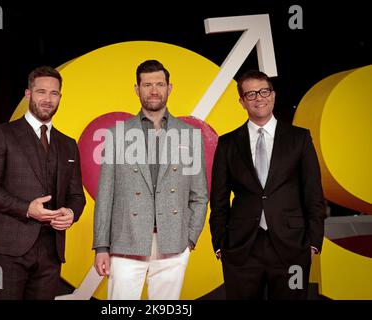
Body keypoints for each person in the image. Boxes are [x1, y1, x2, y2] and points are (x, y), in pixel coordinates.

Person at [93, 60, 208, 300]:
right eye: (147, 85)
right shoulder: (117, 134)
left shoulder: (189, 135)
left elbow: (199, 194)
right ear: (137, 89)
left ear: (169, 88)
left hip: (174, 243)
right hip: (126, 243)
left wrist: (189, 239)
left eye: (159, 84)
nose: (154, 90)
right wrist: (102, 247)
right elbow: (105, 196)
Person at [209, 70, 326, 300]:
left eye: (264, 91)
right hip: (241, 249)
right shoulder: (227, 143)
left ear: (273, 95)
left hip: (293, 247)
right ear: (242, 102)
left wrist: (313, 243)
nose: (259, 98)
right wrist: (220, 244)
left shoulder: (299, 138)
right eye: (250, 94)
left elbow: (313, 192)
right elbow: (219, 199)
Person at [0, 66, 86, 300]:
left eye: (54, 93)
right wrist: (27, 209)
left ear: (60, 97)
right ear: (28, 94)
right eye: (41, 92)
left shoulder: (68, 144)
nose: (47, 99)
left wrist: (70, 212)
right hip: (9, 249)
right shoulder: (3, 133)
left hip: (51, 252)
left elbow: (77, 196)